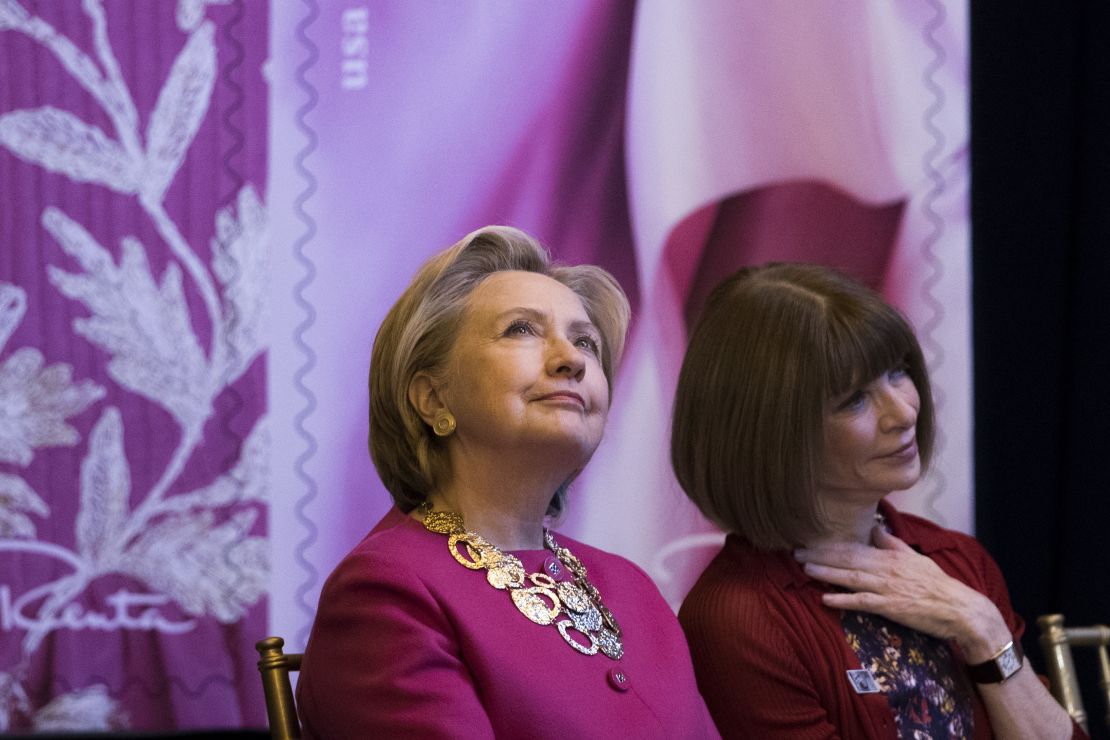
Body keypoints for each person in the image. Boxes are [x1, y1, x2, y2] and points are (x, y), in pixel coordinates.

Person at [296, 226, 718, 738]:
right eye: (521, 329)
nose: (573, 359)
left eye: (585, 341)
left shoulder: (631, 587)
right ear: (433, 400)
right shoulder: (386, 592)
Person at [672, 263, 1085, 739]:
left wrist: (984, 629)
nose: (904, 412)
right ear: (769, 434)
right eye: (854, 399)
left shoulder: (956, 560)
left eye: (898, 372)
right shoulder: (737, 618)